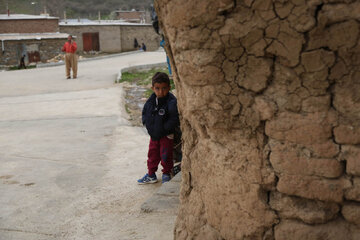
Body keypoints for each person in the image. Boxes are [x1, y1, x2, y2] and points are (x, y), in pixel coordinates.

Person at [138, 72, 179, 184]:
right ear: (152, 88)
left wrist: (165, 130)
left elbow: (174, 119)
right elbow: (145, 113)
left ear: (169, 88)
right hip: (154, 135)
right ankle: (151, 174)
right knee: (152, 154)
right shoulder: (151, 101)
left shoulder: (171, 102)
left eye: (164, 88)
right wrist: (149, 127)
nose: (161, 92)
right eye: (157, 88)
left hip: (166, 135)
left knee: (166, 154)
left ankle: (166, 173)